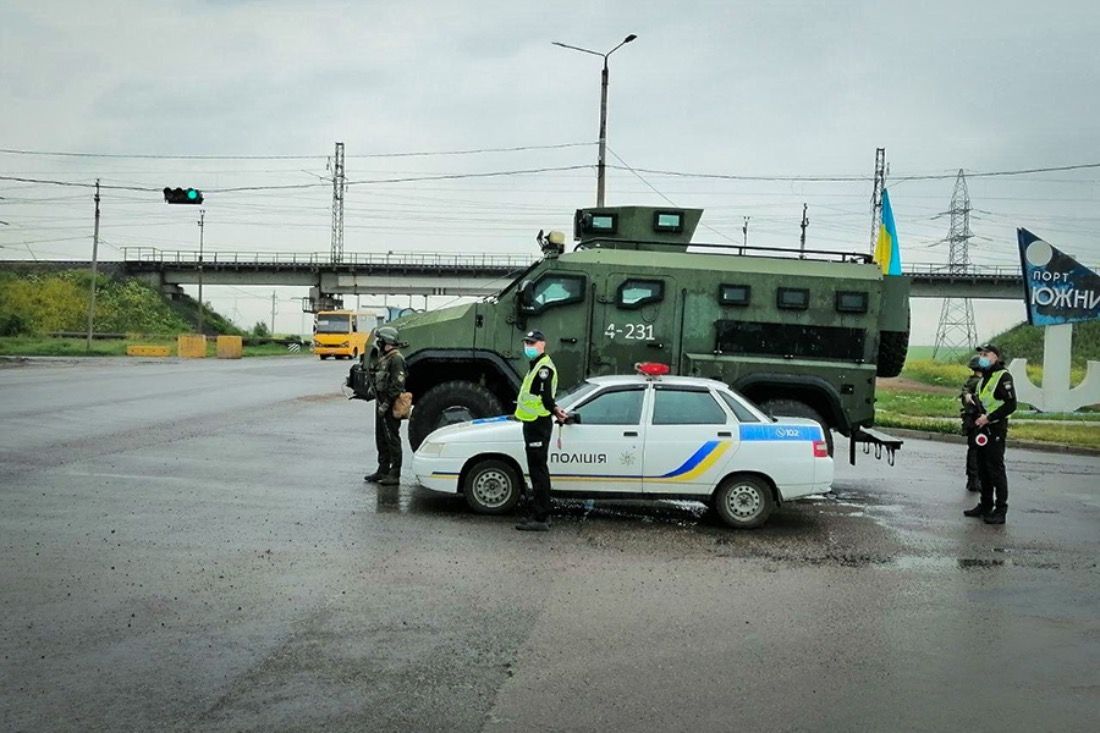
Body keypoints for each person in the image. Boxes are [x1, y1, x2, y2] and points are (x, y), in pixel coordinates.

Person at [513, 330, 568, 531]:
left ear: (542, 344)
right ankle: (540, 514)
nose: (528, 346)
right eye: (527, 342)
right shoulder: (536, 365)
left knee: (538, 471)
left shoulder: (544, 368)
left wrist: (555, 409)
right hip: (533, 422)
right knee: (537, 469)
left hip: (538, 423)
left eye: (532, 342)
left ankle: (541, 517)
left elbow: (545, 398)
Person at [963, 344, 1017, 524]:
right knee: (983, 469)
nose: (982, 357)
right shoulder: (984, 378)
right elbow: (985, 400)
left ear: (996, 357)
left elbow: (1011, 405)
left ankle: (1001, 510)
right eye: (981, 354)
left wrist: (989, 418)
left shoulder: (1003, 376)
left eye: (986, 354)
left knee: (995, 469)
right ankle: (985, 505)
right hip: (981, 428)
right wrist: (970, 399)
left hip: (995, 428)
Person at [364, 326, 407, 487]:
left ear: (386, 342)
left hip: (389, 405)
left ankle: (394, 474)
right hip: (381, 403)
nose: (378, 343)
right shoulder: (385, 358)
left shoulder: (396, 359)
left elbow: (398, 385)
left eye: (380, 341)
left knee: (392, 439)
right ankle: (382, 470)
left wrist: (387, 404)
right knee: (381, 438)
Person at [959, 355, 984, 493]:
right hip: (978, 420)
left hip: (971, 420)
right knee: (977, 451)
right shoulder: (979, 383)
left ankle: (972, 479)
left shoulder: (970, 381)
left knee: (973, 450)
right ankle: (975, 480)